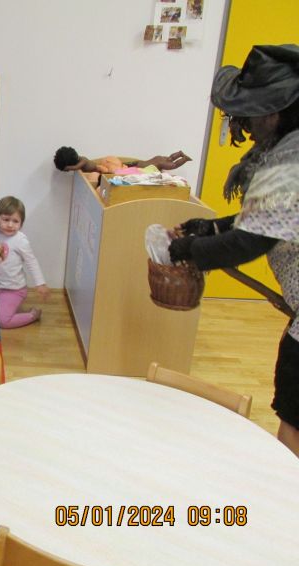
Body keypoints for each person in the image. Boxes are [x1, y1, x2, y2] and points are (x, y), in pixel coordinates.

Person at [166, 44, 299, 457]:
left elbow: (248, 241)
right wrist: (211, 227)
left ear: (275, 112)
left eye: (250, 113)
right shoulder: (286, 148)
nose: (243, 124)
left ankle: (286, 489)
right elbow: (265, 218)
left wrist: (190, 248)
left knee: (294, 417)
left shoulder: (291, 161)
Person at [0, 196, 50, 328]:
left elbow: (32, 262)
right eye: (6, 219)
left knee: (2, 322)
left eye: (15, 221)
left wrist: (40, 283)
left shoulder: (21, 241)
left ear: (21, 223)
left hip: (13, 290)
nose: (10, 225)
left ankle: (33, 315)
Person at [53, 146, 192, 174]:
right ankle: (179, 153)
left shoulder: (82, 162)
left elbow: (75, 167)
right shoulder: (82, 160)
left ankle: (184, 158)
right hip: (145, 163)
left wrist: (67, 168)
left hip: (145, 165)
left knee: (171, 164)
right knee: (166, 159)